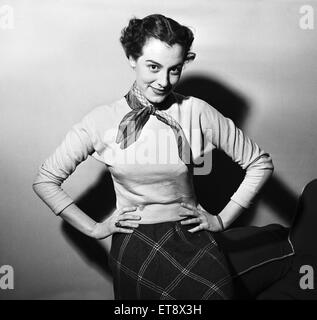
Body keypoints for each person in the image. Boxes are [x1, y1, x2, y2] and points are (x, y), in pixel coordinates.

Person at [32, 14, 296, 300]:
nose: (163, 81)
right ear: (132, 58)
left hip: (191, 239)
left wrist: (221, 220)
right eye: (154, 67)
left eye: (174, 69)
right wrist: (96, 229)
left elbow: (259, 163)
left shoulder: (196, 111)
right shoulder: (100, 121)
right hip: (134, 246)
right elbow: (45, 181)